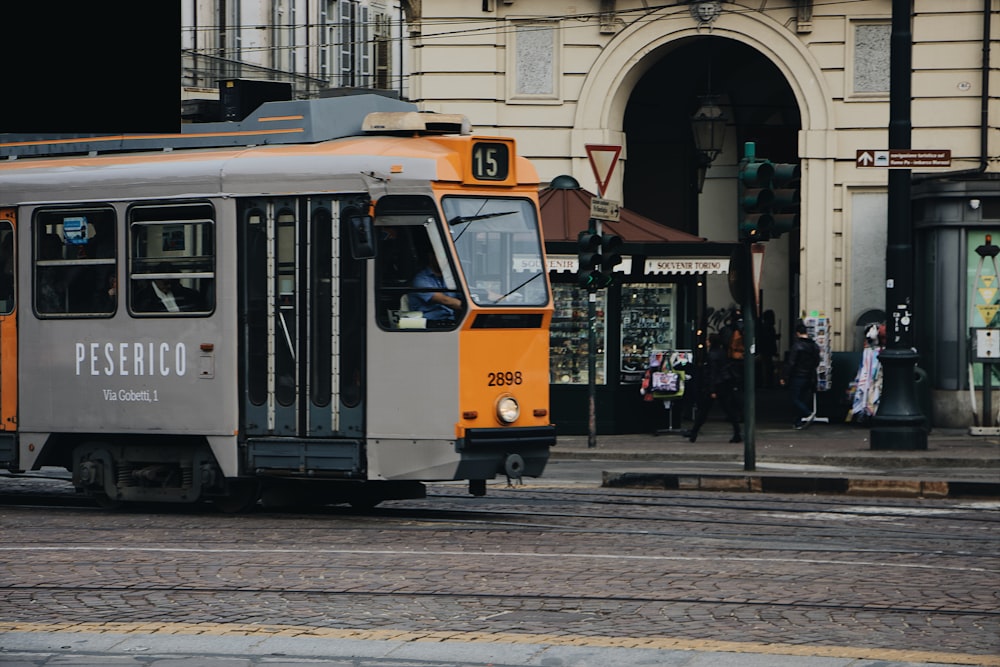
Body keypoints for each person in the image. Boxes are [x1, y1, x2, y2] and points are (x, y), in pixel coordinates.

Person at [685, 334, 742, 443]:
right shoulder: (721, 353)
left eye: (707, 340)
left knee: (704, 410)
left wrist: (712, 390)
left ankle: (694, 432)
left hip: (716, 386)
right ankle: (737, 432)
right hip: (723, 384)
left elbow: (712, 373)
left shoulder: (712, 355)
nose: (706, 342)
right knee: (728, 409)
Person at [787, 321, 821, 429]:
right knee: (802, 398)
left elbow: (791, 363)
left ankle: (807, 413)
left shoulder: (797, 346)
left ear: (797, 333)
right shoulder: (814, 346)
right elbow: (817, 362)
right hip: (810, 376)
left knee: (795, 398)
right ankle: (797, 422)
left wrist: (785, 376)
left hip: (798, 375)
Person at [410, 251, 462, 322]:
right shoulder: (420, 279)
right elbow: (444, 300)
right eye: (442, 257)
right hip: (430, 323)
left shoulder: (450, 278)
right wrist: (468, 306)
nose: (445, 260)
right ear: (431, 256)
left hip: (451, 320)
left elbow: (463, 294)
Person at [135, 263, 204, 313]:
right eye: (166, 283)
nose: (169, 286)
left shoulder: (187, 294)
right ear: (156, 279)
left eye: (172, 283)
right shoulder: (144, 298)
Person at [757, 309, 779, 388]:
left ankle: (767, 382)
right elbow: (769, 340)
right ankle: (768, 383)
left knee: (767, 366)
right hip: (767, 350)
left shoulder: (765, 326)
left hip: (765, 350)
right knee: (767, 367)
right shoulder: (768, 327)